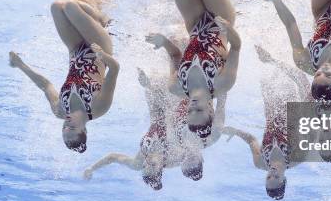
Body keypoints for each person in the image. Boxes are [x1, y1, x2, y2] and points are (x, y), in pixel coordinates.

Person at [8, 0, 120, 152]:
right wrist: (102, 55)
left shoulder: (59, 109)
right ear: (84, 131)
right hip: (99, 49)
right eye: (72, 130)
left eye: (64, 131)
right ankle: (100, 17)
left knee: (57, 6)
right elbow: (115, 69)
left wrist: (20, 65)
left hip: (76, 50)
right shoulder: (98, 108)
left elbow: (45, 85)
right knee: (71, 6)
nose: (66, 126)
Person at [83, 69, 230, 189]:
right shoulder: (176, 155)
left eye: (145, 165)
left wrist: (92, 168)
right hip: (177, 103)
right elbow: (192, 146)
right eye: (152, 164)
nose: (147, 161)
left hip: (158, 101)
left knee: (158, 74)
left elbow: (113, 157)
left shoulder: (140, 161)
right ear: (162, 166)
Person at [145, 0, 241, 140]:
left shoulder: (175, 87)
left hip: (194, 24)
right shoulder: (223, 83)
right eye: (199, 110)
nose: (192, 106)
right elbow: (236, 47)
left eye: (190, 111)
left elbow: (175, 56)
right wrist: (228, 27)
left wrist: (164, 42)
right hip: (221, 18)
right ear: (211, 109)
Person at [225, 51, 315, 200]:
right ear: (284, 179)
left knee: (265, 74)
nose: (272, 173)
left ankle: (270, 52)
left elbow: (251, 140)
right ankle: (274, 58)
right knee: (298, 76)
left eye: (268, 178)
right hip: (292, 103)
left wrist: (235, 131)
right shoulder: (297, 157)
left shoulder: (260, 163)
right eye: (276, 177)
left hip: (271, 105)